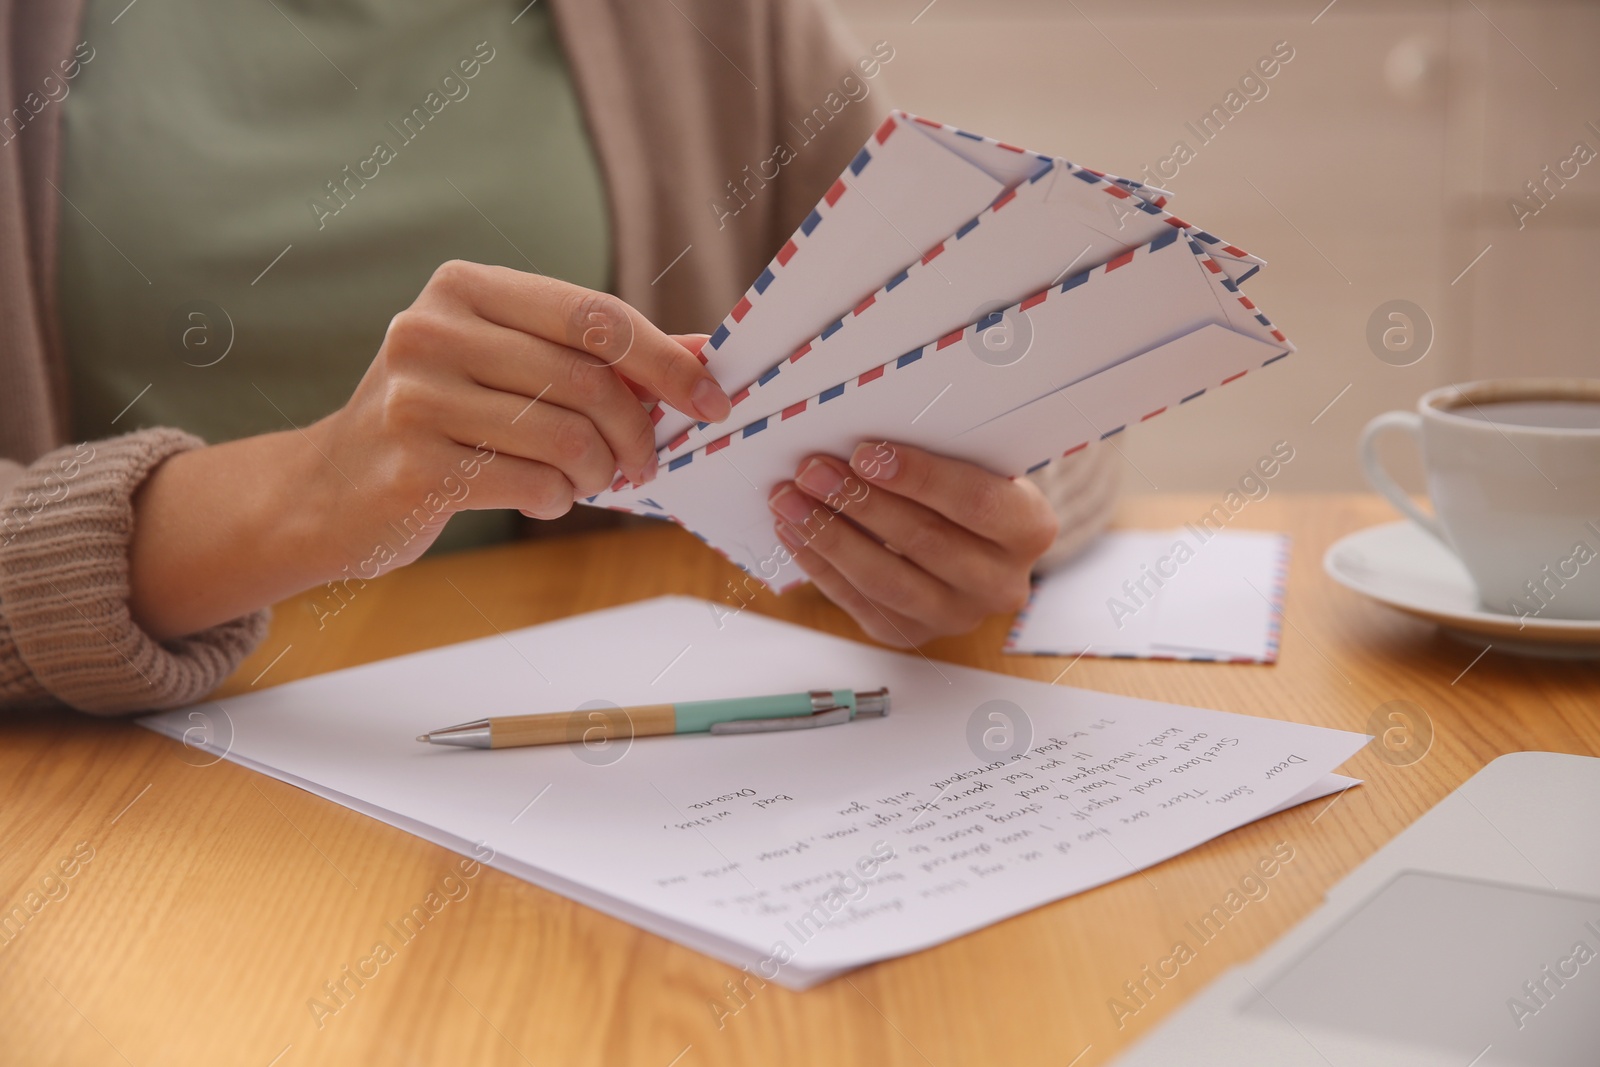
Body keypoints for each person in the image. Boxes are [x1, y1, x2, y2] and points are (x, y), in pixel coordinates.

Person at [0, 0, 1118, 716]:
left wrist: (974, 502)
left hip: (586, 778)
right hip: (113, 808)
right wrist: (308, 494)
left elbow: (990, 347)